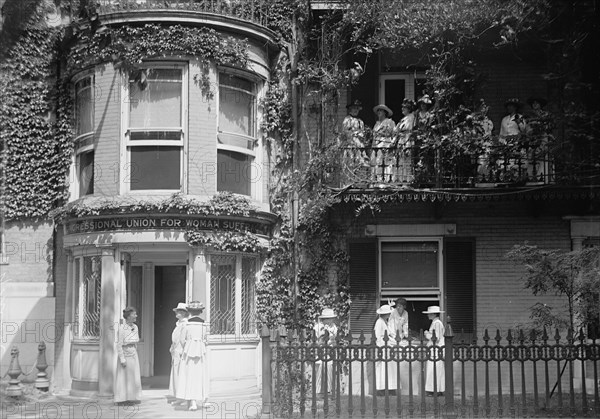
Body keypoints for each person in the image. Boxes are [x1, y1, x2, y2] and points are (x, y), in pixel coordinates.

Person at [176, 301, 208, 411]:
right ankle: (203, 399)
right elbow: (205, 339)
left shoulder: (186, 324)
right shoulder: (204, 324)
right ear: (200, 312)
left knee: (189, 375)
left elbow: (181, 340)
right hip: (200, 351)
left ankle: (192, 401)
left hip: (189, 352)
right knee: (200, 374)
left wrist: (188, 346)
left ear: (189, 311)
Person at [115, 306, 142, 405]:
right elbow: (119, 344)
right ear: (128, 316)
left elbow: (136, 341)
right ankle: (122, 399)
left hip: (133, 353)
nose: (136, 316)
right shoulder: (122, 328)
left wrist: (135, 352)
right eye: (134, 314)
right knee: (124, 377)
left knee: (133, 376)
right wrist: (122, 359)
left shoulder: (135, 327)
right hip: (125, 353)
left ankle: (131, 397)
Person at [313, 308, 338, 396]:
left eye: (331, 318)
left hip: (329, 351)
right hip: (320, 351)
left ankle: (329, 390)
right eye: (327, 318)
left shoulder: (334, 327)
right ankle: (318, 391)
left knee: (329, 368)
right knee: (319, 368)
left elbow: (334, 340)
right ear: (323, 319)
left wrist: (331, 339)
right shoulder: (317, 327)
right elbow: (315, 340)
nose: (329, 320)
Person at [168, 302, 189, 405]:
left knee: (181, 374)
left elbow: (183, 339)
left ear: (184, 313)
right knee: (176, 374)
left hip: (181, 351)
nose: (177, 313)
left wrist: (182, 351)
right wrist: (172, 347)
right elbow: (175, 338)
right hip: (175, 351)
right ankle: (179, 397)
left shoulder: (185, 324)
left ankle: (185, 398)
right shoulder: (178, 323)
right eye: (177, 311)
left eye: (179, 311)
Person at [374, 304, 398, 394]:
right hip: (383, 348)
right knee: (382, 369)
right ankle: (381, 389)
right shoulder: (379, 322)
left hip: (388, 348)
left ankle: (391, 388)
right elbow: (378, 337)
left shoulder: (385, 322)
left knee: (390, 369)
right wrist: (380, 349)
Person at [423, 306, 445, 397]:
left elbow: (436, 337)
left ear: (434, 314)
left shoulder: (437, 323)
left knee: (434, 369)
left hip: (436, 350)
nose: (428, 315)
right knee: (433, 369)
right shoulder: (435, 322)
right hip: (434, 349)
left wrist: (427, 334)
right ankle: (433, 389)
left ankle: (435, 390)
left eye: (430, 314)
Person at [393, 99, 416, 182]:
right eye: (402, 107)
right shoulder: (403, 119)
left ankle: (407, 180)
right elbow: (396, 130)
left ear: (409, 109)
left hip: (406, 140)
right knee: (401, 161)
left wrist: (405, 140)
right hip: (401, 140)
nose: (402, 109)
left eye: (404, 108)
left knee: (407, 161)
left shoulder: (411, 117)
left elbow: (408, 130)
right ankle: (401, 179)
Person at [372, 104, 396, 183]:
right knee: (377, 163)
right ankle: (378, 180)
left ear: (385, 112)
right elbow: (374, 136)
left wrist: (392, 143)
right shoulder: (376, 124)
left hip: (386, 144)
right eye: (378, 110)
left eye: (381, 110)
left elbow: (394, 134)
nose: (379, 112)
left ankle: (386, 180)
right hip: (377, 146)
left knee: (386, 163)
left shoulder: (390, 122)